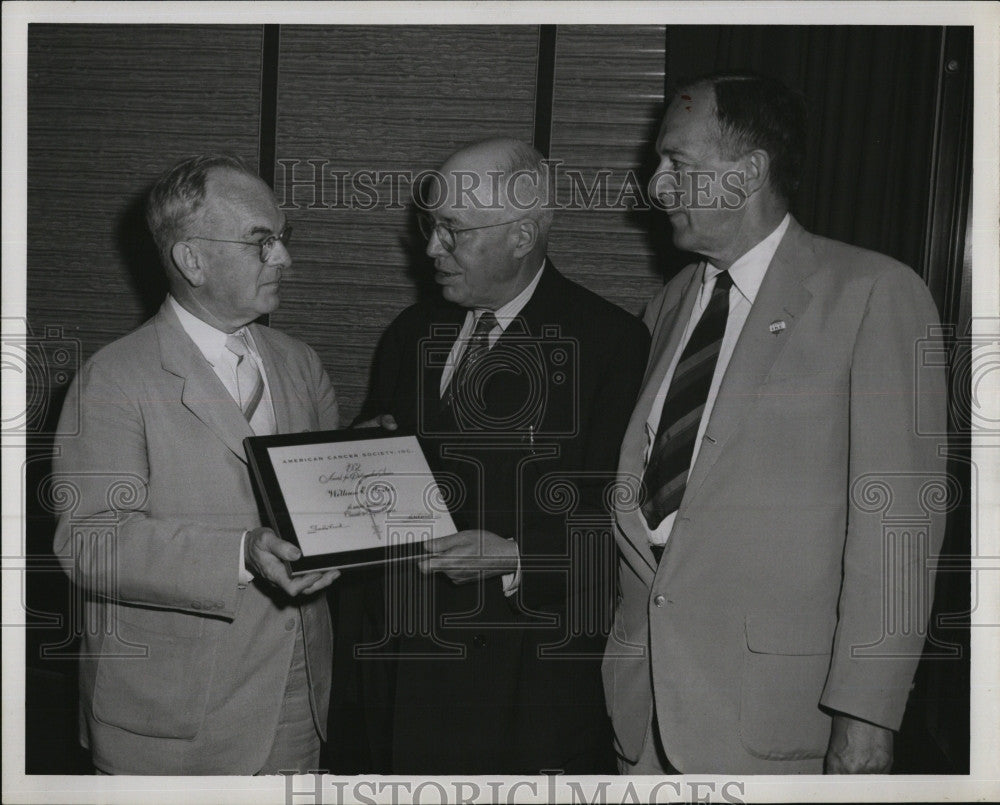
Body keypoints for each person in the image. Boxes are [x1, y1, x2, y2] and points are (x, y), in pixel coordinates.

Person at [603, 73, 948, 775]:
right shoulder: (665, 305)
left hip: (777, 725)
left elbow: (897, 534)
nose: (658, 187)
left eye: (678, 164)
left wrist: (867, 716)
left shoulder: (874, 293)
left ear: (748, 171)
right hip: (643, 721)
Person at [332, 138, 649, 774]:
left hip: (520, 686)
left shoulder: (609, 343)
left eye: (453, 230)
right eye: (431, 225)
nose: (430, 249)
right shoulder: (410, 332)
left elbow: (625, 525)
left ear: (523, 234)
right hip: (397, 670)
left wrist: (517, 553)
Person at [52, 155, 341, 774]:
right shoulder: (113, 378)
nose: (285, 260)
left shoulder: (301, 364)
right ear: (192, 259)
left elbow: (322, 508)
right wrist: (240, 554)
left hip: (293, 699)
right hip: (166, 723)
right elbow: (90, 544)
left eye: (284, 239)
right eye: (263, 242)